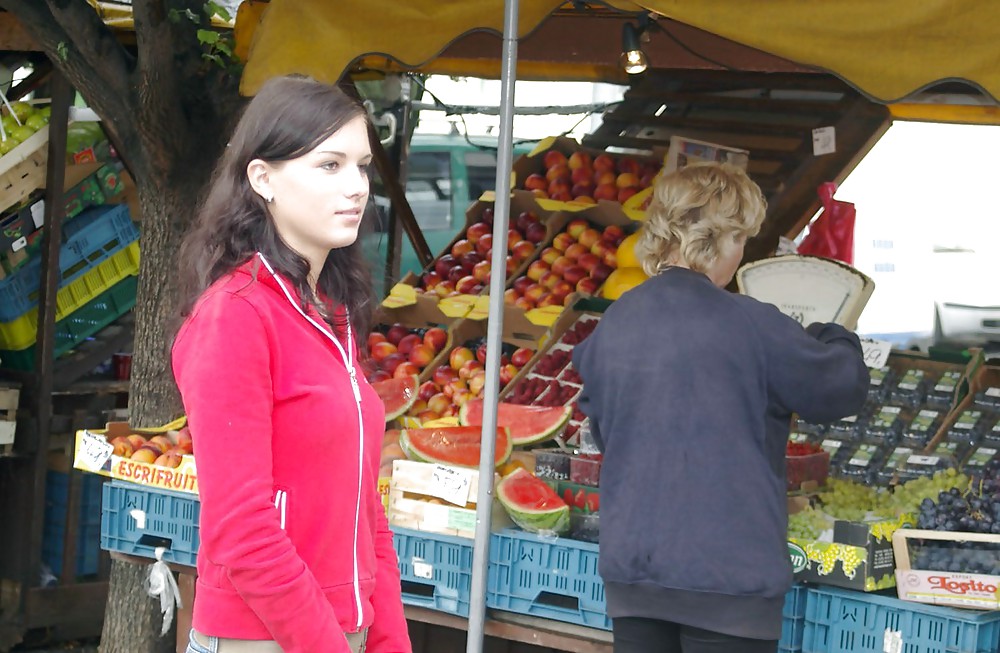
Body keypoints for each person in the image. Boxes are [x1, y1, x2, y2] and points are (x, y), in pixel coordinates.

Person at [572, 163, 869, 653]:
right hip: (729, 580)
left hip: (634, 576)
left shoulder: (614, 322)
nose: (740, 254)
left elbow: (606, 433)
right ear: (719, 239)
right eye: (741, 239)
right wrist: (837, 336)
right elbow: (839, 388)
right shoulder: (753, 325)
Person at [171, 75, 411, 653]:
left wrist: (388, 641)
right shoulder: (235, 315)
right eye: (329, 166)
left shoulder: (330, 311)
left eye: (361, 166)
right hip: (265, 638)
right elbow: (243, 531)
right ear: (263, 178)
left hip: (340, 631)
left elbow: (365, 507)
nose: (355, 186)